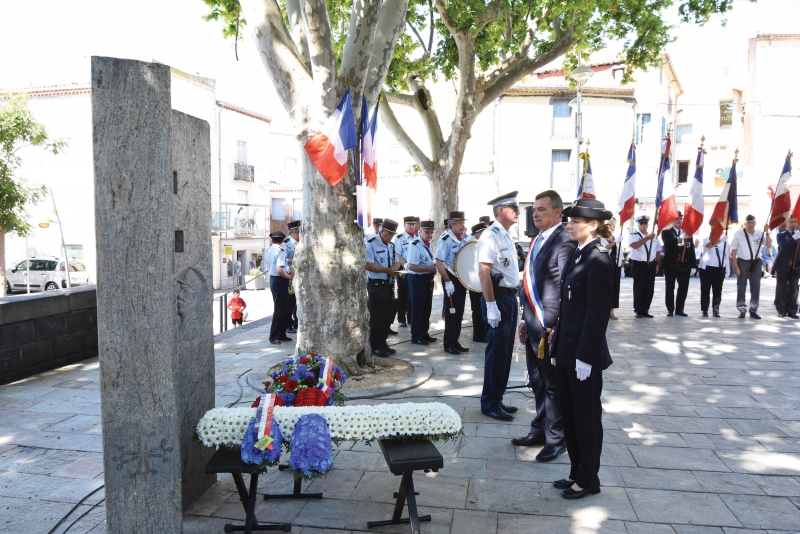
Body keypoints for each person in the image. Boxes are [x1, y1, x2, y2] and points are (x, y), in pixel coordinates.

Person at [550, 198, 614, 500]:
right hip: (567, 349)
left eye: (575, 221)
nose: (569, 225)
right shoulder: (579, 253)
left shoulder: (599, 258)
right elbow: (568, 307)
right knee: (571, 414)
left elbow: (597, 312)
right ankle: (577, 470)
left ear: (593, 224)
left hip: (583, 355)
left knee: (586, 417)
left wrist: (586, 356)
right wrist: (557, 344)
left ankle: (588, 479)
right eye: (569, 220)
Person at [513, 190, 575, 461]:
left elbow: (565, 288)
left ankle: (556, 438)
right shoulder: (537, 239)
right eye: (534, 210)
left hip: (549, 326)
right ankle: (539, 429)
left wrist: (555, 327)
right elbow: (530, 284)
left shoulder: (564, 241)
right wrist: (524, 319)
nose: (535, 214)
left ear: (558, 212)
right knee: (536, 381)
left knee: (553, 384)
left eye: (541, 209)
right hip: (533, 322)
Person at [478, 191, 522, 421]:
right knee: (496, 353)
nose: (518, 211)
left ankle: (498, 398)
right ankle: (490, 403)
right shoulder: (491, 235)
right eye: (513, 208)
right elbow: (483, 272)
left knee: (505, 353)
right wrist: (491, 305)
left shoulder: (506, 235)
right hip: (497, 298)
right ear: (500, 211)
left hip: (509, 298)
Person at [365, 219, 403, 357]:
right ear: (383, 232)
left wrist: (396, 266)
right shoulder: (371, 243)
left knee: (387, 316)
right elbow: (367, 264)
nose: (391, 237)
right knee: (377, 317)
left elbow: (395, 260)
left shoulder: (391, 245)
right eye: (389, 234)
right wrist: (387, 270)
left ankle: (383, 342)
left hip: (389, 284)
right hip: (376, 285)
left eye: (393, 235)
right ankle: (375, 345)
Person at [436, 211, 470, 355]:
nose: (463, 225)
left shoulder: (461, 239)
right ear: (452, 224)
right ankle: (449, 343)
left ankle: (455, 340)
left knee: (459, 311)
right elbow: (439, 262)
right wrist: (448, 281)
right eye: (460, 223)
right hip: (451, 278)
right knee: (452, 311)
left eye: (463, 222)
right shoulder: (445, 239)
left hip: (460, 278)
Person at [731, 215, 772, 319]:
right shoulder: (739, 234)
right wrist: (736, 266)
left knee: (756, 286)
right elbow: (734, 250)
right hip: (743, 261)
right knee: (741, 286)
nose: (750, 224)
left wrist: (767, 232)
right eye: (748, 222)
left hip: (756, 262)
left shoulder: (759, 233)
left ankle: (753, 309)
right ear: (745, 223)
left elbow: (768, 245)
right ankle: (742, 309)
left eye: (752, 222)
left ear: (755, 223)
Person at [406, 221, 438, 345]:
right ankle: (416, 335)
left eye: (431, 232)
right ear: (420, 232)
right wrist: (430, 268)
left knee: (426, 308)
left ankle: (424, 333)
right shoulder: (415, 245)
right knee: (417, 308)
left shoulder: (428, 244)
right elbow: (412, 266)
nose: (429, 234)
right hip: (417, 280)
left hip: (427, 279)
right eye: (427, 232)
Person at [660, 212, 696, 317]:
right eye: (677, 219)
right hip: (671, 265)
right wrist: (679, 238)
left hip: (685, 265)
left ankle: (680, 309)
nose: (679, 221)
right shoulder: (667, 232)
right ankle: (670, 309)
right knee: (670, 287)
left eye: (681, 218)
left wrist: (693, 265)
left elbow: (692, 249)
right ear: (672, 221)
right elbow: (668, 245)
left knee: (683, 288)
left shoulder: (688, 233)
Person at [628, 215, 660, 318]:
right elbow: (634, 246)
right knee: (639, 287)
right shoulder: (634, 235)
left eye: (645, 223)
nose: (643, 225)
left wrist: (658, 263)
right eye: (641, 223)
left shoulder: (654, 236)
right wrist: (646, 238)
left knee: (649, 288)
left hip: (651, 264)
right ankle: (638, 310)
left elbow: (658, 250)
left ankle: (645, 309)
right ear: (638, 224)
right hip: (639, 264)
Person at [265, 231, 292, 345]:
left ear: (272, 240)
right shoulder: (280, 251)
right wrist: (289, 276)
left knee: (283, 308)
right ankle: (274, 335)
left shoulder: (269, 250)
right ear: (282, 240)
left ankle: (281, 333)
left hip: (273, 279)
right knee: (280, 308)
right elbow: (280, 270)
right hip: (280, 279)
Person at [773, 216, 800, 318]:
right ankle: (781, 309)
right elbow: (784, 247)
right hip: (783, 265)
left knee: (794, 289)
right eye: (791, 222)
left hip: (796, 265)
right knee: (782, 288)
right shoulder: (781, 235)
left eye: (795, 222)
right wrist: (794, 238)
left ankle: (792, 310)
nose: (793, 224)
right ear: (787, 224)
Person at [393, 216, 417, 327]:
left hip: (415, 269)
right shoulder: (400, 238)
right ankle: (401, 318)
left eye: (413, 224)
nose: (412, 227)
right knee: (403, 294)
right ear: (405, 225)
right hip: (403, 269)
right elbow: (398, 255)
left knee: (414, 294)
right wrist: (406, 266)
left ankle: (412, 317)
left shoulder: (418, 236)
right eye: (409, 224)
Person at [466, 223, 488, 343]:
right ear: (476, 234)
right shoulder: (472, 247)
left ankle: (483, 332)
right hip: (475, 282)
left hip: (483, 282)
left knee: (484, 308)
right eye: (482, 232)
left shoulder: (483, 246)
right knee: (477, 309)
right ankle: (478, 334)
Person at [700, 233, 729, 317]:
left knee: (717, 290)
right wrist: (720, 240)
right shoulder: (707, 239)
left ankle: (716, 309)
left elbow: (727, 255)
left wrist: (728, 269)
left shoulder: (725, 241)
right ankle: (705, 309)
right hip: (707, 267)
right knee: (705, 289)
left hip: (719, 268)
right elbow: (709, 245)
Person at [284, 220, 301, 333]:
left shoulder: (301, 241)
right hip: (290, 273)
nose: (298, 234)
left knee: (298, 301)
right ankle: (288, 324)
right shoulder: (287, 243)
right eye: (296, 232)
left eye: (299, 231)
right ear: (291, 232)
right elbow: (283, 259)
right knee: (289, 301)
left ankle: (296, 322)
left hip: (300, 274)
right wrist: (295, 260)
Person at [603, 218, 621, 320]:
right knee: (606, 289)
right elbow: (604, 248)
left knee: (615, 289)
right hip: (605, 266)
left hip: (615, 265)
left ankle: (611, 310)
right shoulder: (601, 238)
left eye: (613, 226)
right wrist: (614, 243)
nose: (612, 228)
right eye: (610, 225)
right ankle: (605, 309)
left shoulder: (615, 237)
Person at [277, 242, 295, 334]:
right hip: (287, 274)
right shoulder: (287, 245)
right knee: (288, 303)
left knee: (293, 303)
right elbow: (283, 262)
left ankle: (294, 322)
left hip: (293, 274)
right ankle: (287, 325)